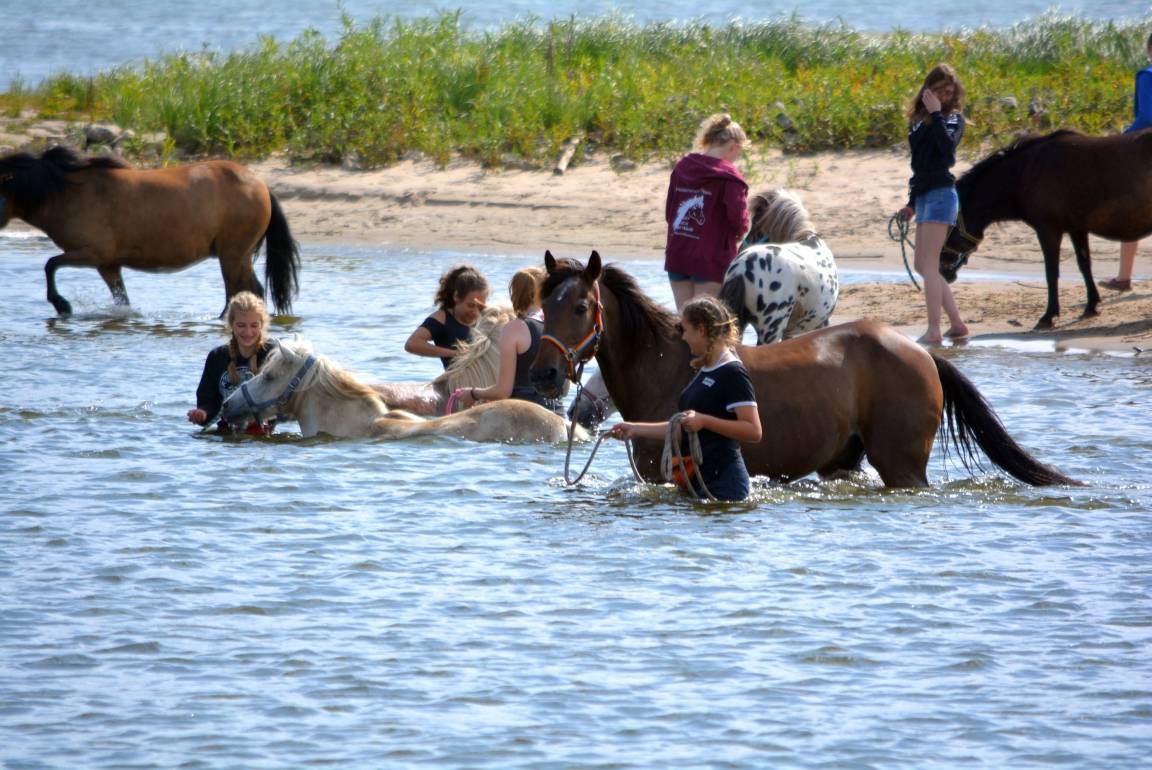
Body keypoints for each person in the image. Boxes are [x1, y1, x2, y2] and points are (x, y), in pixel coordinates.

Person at [607, 296, 761, 502]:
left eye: (685, 329)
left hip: (725, 485)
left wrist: (705, 421)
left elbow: (753, 430)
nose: (684, 337)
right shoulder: (706, 369)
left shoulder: (733, 372)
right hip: (697, 481)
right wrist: (634, 429)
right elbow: (680, 429)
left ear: (701, 330)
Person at [896, 63, 970, 346]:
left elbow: (947, 153)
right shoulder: (917, 121)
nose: (945, 97)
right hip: (925, 195)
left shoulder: (952, 119)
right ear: (928, 90)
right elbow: (920, 165)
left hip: (942, 194)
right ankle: (956, 324)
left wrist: (938, 113)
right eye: (940, 91)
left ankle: (934, 330)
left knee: (929, 264)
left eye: (949, 93)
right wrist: (911, 204)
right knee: (923, 264)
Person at [664, 113, 750, 312]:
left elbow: (670, 214)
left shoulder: (682, 167)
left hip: (678, 253)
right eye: (739, 153)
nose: (736, 158)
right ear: (733, 147)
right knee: (706, 323)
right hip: (710, 259)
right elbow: (739, 222)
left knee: (685, 320)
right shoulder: (730, 178)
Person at [456, 266, 565, 414]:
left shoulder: (514, 328)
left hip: (522, 415)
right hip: (558, 413)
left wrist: (473, 393)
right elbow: (564, 389)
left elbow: (503, 392)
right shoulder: (559, 327)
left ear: (514, 293)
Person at [1100, 32, 1152, 293]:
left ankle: (1124, 278)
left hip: (1146, 152)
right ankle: (1123, 278)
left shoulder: (1147, 75)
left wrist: (1124, 137)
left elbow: (1147, 116)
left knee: (1134, 212)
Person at [186, 291, 277, 434]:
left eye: (254, 325)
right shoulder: (217, 357)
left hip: (263, 438)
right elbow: (209, 402)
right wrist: (202, 413)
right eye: (241, 325)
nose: (248, 332)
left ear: (262, 325)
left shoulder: (274, 354)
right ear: (231, 325)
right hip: (226, 436)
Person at [404, 264, 489, 368]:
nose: (475, 312)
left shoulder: (487, 319)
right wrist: (455, 354)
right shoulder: (442, 318)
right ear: (456, 297)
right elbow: (412, 344)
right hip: (458, 377)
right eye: (470, 305)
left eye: (480, 306)